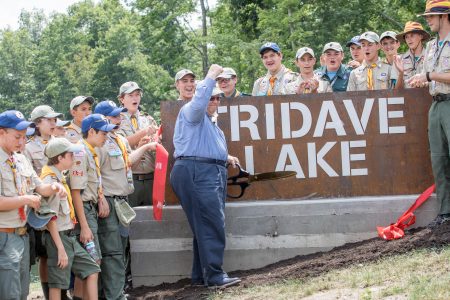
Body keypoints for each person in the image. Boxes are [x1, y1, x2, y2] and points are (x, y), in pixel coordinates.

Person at [170, 64, 241, 288]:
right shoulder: (191, 111)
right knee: (212, 223)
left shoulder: (211, 124)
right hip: (197, 172)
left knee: (204, 225)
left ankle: (201, 275)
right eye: (211, 98)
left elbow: (206, 147)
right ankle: (215, 277)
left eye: (218, 99)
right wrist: (210, 76)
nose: (214, 101)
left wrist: (226, 157)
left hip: (206, 171)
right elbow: (199, 101)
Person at [0, 110, 66, 300]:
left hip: (22, 235)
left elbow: (39, 187)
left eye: (24, 137)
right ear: (1, 133)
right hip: (4, 236)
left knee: (22, 293)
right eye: (17, 137)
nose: (22, 142)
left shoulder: (20, 159)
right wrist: (27, 200)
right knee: (8, 294)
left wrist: (53, 186)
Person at [94, 100, 157, 299]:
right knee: (112, 252)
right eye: (114, 116)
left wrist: (147, 147)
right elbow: (95, 174)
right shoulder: (98, 142)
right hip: (109, 202)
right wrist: (100, 196)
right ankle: (113, 295)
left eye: (119, 115)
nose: (119, 118)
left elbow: (128, 161)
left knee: (120, 248)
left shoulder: (117, 138)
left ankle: (116, 291)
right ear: (103, 118)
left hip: (122, 201)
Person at [40, 138, 100, 300]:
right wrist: (60, 249)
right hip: (58, 238)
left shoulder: (59, 176)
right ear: (60, 158)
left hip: (69, 235)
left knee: (92, 270)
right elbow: (50, 219)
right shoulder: (50, 181)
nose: (74, 157)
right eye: (70, 154)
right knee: (57, 284)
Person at [408, 0, 450, 227]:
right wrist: (420, 80)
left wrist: (430, 77)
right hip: (436, 104)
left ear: (444, 16)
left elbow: (433, 75)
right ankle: (445, 212)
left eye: (431, 16)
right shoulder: (432, 46)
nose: (428, 20)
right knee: (439, 159)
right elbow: (428, 75)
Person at [69, 114, 117, 299]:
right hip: (85, 212)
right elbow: (75, 192)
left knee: (88, 263)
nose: (106, 137)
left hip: (91, 208)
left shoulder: (91, 151)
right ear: (91, 131)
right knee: (92, 262)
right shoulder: (81, 153)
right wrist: (85, 226)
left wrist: (100, 196)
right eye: (103, 133)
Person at [24, 105, 63, 299]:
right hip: (43, 207)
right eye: (49, 120)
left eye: (55, 119)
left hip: (63, 204)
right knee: (45, 253)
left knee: (65, 247)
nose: (53, 122)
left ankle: (64, 291)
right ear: (38, 123)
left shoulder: (61, 143)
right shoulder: (29, 148)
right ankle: (49, 294)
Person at [117, 82, 159, 208]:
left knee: (153, 220)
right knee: (131, 222)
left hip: (151, 178)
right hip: (131, 179)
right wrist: (143, 133)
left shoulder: (148, 119)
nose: (135, 98)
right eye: (130, 95)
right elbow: (121, 142)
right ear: (122, 99)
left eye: (137, 95)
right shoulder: (117, 120)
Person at [394, 22, 431, 89]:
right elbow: (397, 90)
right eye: (406, 37)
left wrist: (425, 83)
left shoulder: (431, 57)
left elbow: (438, 83)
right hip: (407, 98)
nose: (409, 39)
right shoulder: (400, 60)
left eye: (412, 35)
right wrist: (401, 73)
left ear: (421, 36)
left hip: (429, 98)